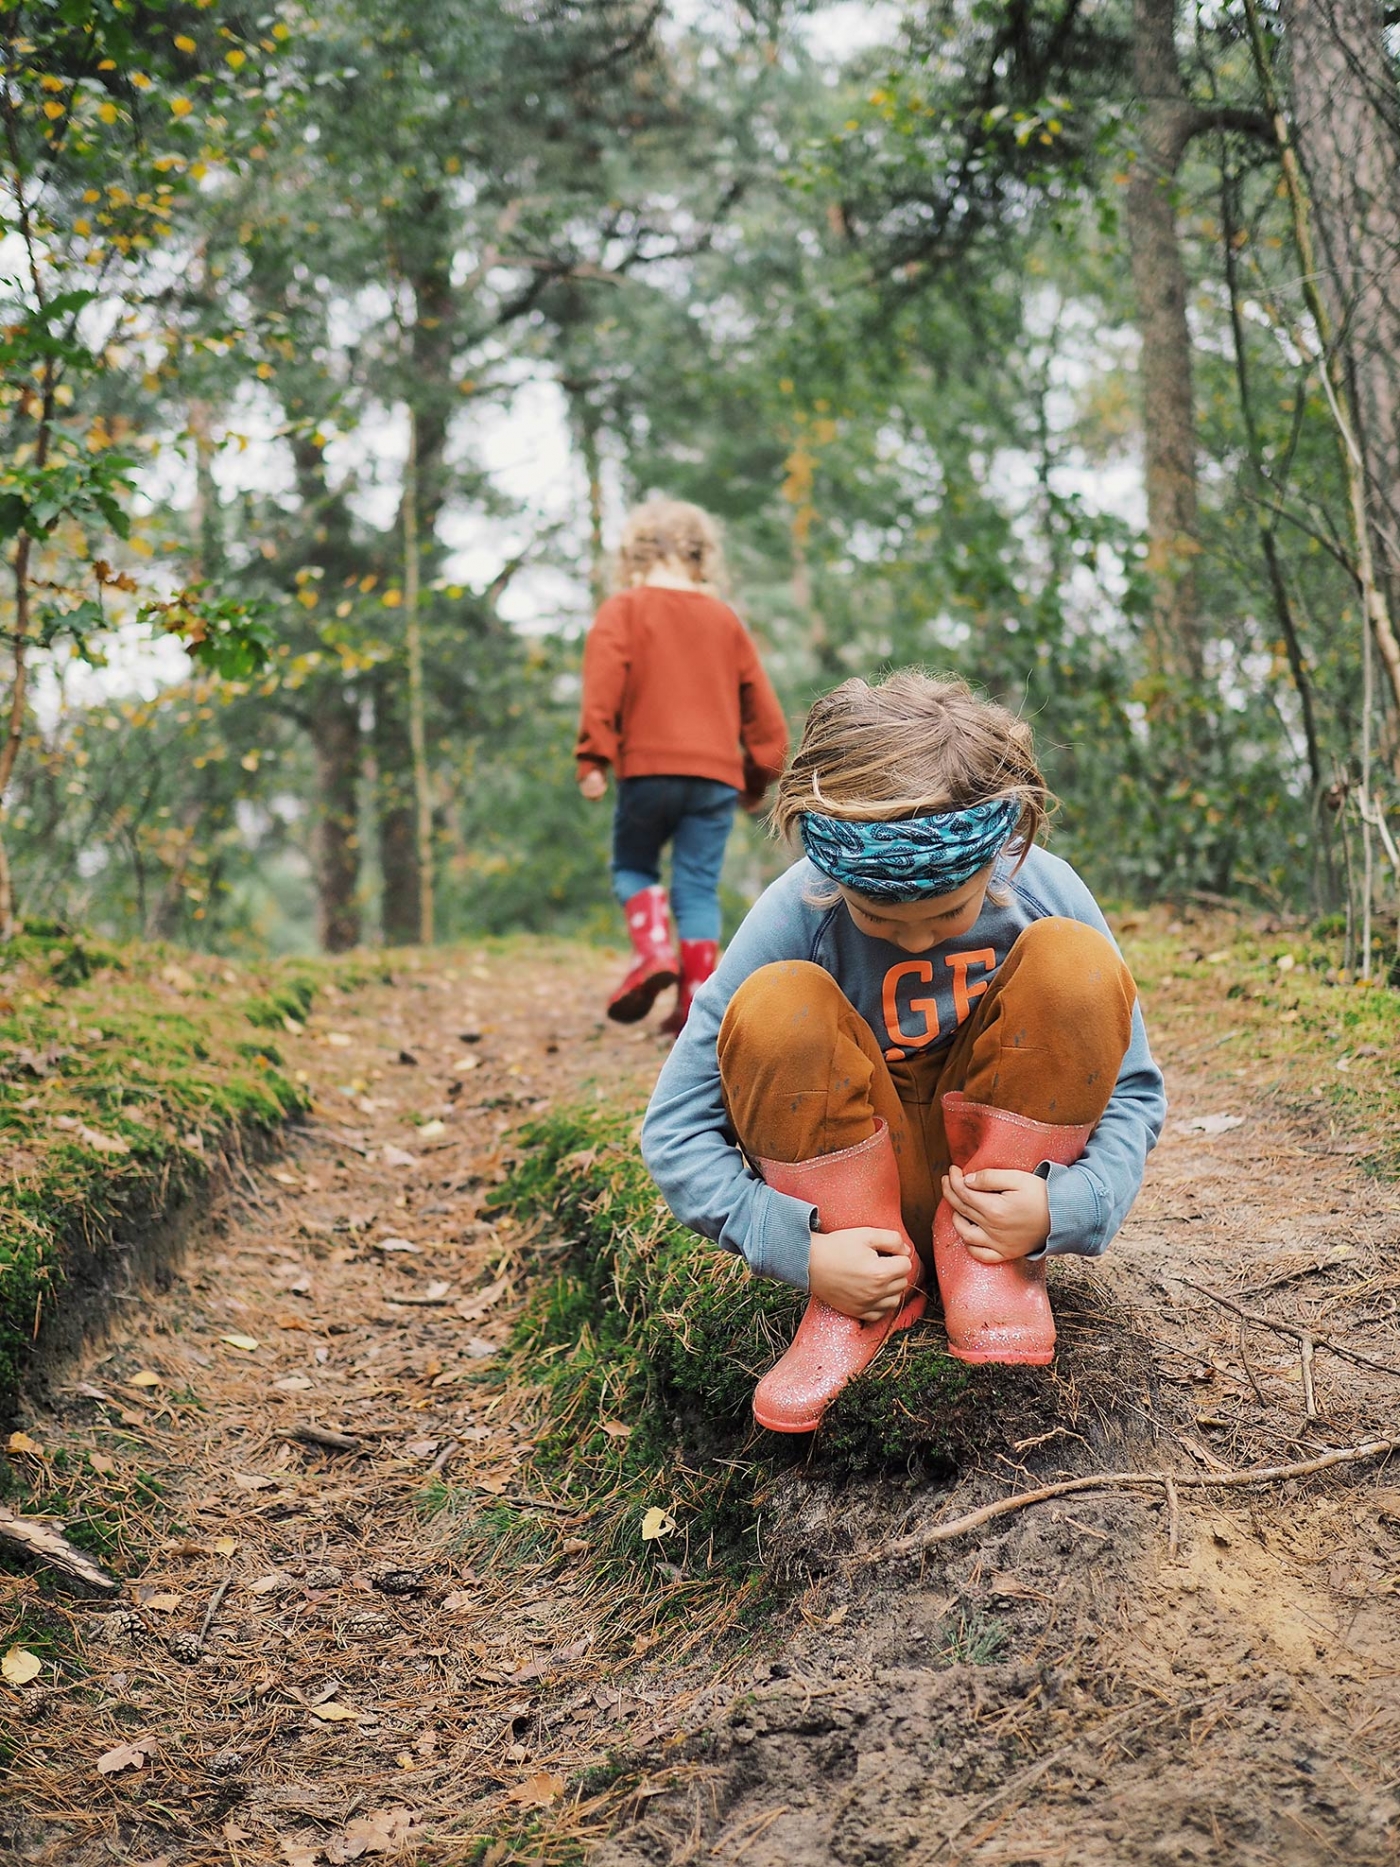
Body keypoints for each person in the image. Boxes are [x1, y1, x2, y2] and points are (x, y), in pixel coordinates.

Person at [641, 669, 1166, 1432]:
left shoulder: (1044, 889)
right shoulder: (798, 908)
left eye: (947, 913)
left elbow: (1134, 1090)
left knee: (1078, 964)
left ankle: (989, 1270)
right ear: (833, 872)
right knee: (776, 1004)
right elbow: (675, 1127)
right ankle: (866, 1302)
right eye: (881, 920)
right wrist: (802, 1251)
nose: (917, 935)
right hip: (850, 1218)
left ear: (1005, 849)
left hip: (999, 1202)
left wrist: (1064, 1207)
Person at [576, 498, 788, 1035]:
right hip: (715, 779)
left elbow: (604, 686)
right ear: (702, 556)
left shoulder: (623, 609)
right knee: (696, 886)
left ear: (634, 554)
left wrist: (594, 757)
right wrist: (756, 777)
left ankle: (652, 954)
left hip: (646, 773)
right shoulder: (724, 620)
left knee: (633, 866)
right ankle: (697, 1007)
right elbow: (763, 714)